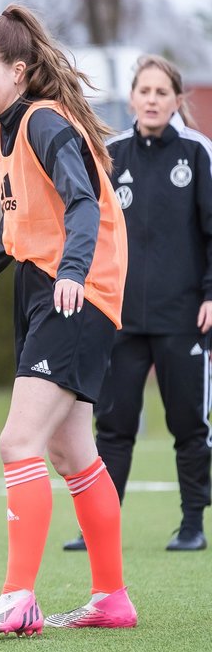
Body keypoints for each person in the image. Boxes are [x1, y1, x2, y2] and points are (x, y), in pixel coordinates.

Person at [0, 5, 136, 636]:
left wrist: (73, 272)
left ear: (19, 71)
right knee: (71, 450)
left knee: (16, 442)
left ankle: (19, 601)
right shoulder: (6, 132)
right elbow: (17, 225)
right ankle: (111, 599)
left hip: (72, 291)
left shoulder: (46, 122)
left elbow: (83, 201)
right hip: (46, 286)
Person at [61, 56, 212, 553]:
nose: (151, 99)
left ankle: (192, 525)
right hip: (119, 318)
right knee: (114, 424)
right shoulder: (109, 154)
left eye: (161, 92)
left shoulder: (198, 154)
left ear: (176, 100)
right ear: (130, 98)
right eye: (143, 91)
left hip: (183, 318)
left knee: (189, 424)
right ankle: (98, 527)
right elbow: (90, 229)